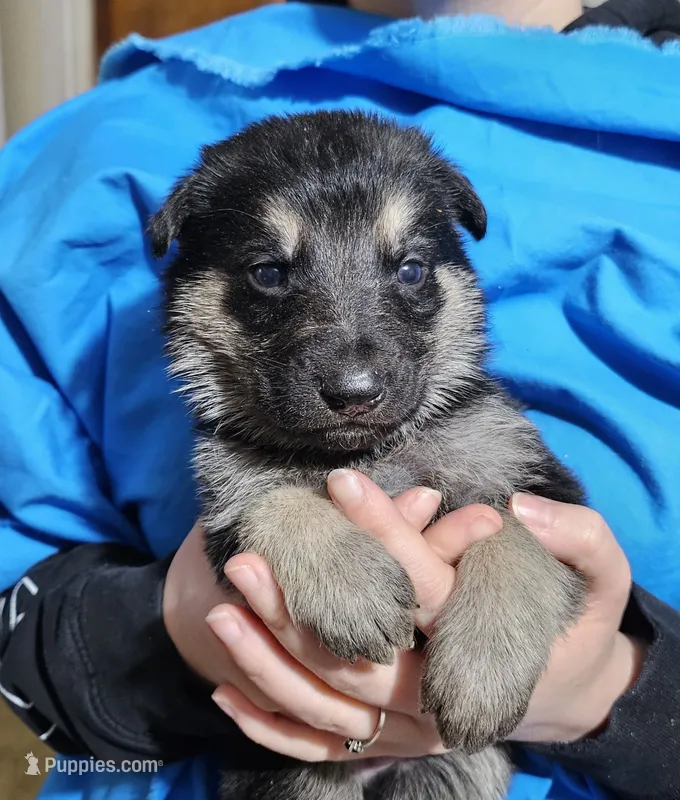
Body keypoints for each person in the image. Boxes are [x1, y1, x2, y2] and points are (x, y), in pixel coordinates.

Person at [1, 3, 679, 800]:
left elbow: (544, 530)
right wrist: (172, 626)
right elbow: (27, 628)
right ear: (186, 283)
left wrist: (614, 693)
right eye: (269, 275)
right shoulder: (87, 154)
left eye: (409, 272)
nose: (356, 374)